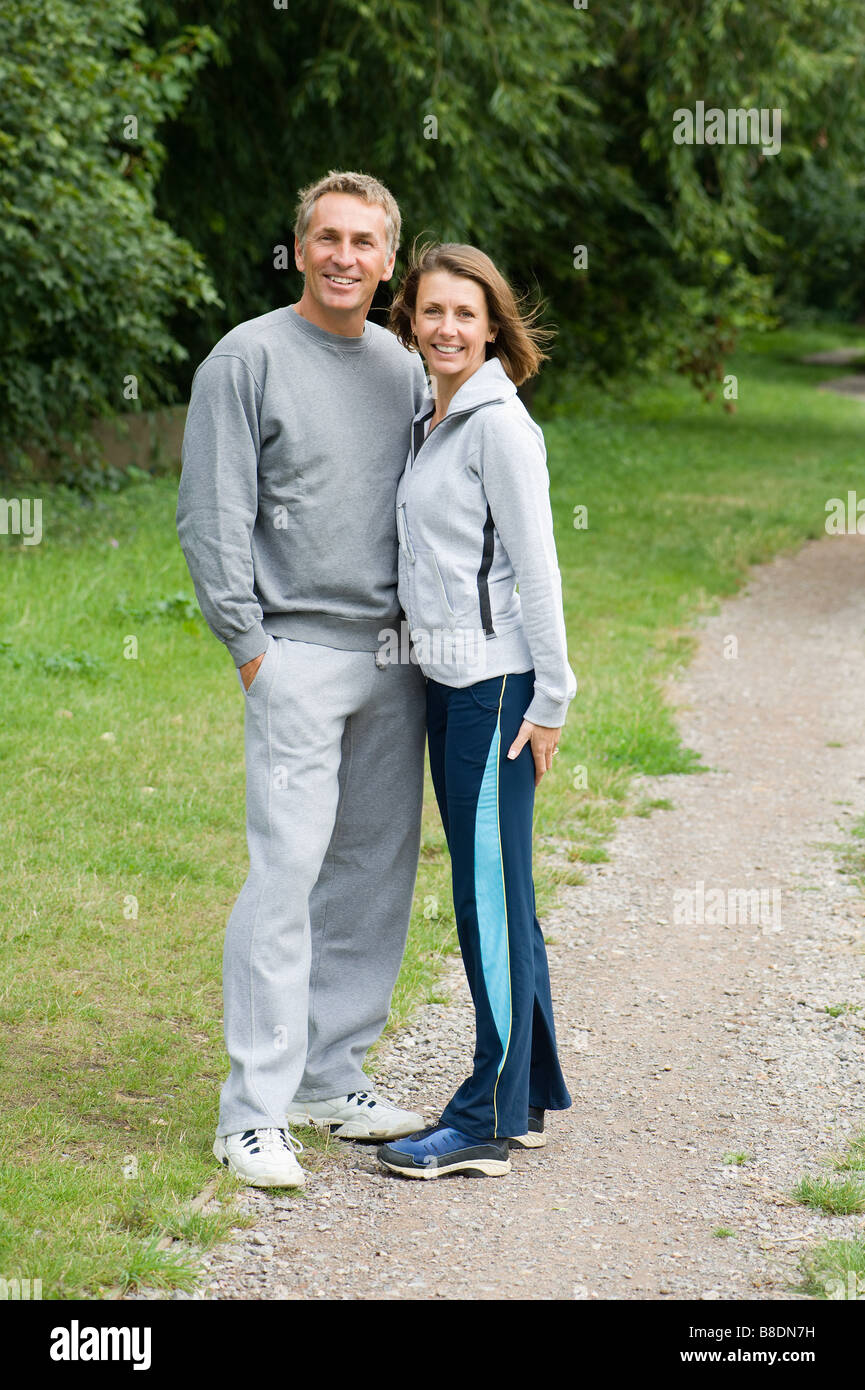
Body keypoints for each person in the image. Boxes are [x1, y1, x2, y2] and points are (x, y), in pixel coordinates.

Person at [176, 171, 429, 1189]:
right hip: (293, 654)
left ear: (387, 259)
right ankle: (251, 1113)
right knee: (284, 880)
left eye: (363, 241)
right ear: (299, 246)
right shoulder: (247, 359)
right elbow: (211, 513)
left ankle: (330, 1076)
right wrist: (250, 646)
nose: (343, 256)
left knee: (371, 879)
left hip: (394, 658)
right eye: (326, 236)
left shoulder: (405, 368)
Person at [377, 243, 576, 1179]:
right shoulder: (433, 415)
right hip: (448, 686)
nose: (447, 328)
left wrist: (552, 696)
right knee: (502, 893)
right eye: (430, 312)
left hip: (497, 691)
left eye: (465, 313)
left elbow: (538, 568)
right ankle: (526, 1095)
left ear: (491, 323)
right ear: (408, 320)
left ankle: (486, 1120)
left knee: (485, 899)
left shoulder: (499, 425)